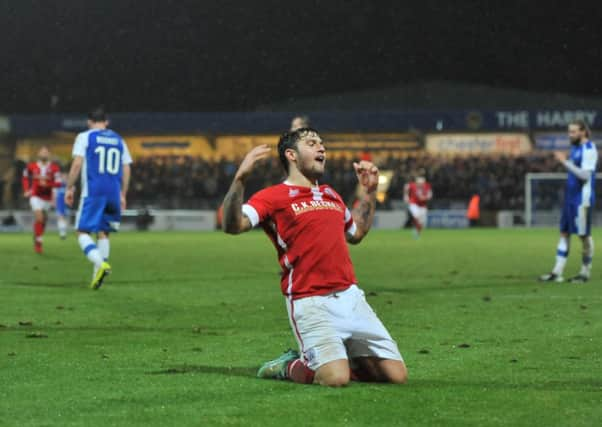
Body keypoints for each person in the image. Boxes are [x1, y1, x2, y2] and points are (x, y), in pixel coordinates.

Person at [222, 127, 407, 387]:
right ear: (291, 155)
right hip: (310, 300)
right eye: (311, 143)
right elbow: (232, 225)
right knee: (334, 378)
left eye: (322, 144)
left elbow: (356, 233)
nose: (322, 148)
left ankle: (335, 357)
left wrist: (368, 191)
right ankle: (288, 365)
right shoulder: (272, 197)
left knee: (396, 376)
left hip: (351, 298)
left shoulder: (331, 194)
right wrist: (239, 180)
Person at [64, 107, 133, 289]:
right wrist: (123, 194)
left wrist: (69, 187)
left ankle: (100, 263)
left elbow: (77, 164)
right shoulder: (119, 139)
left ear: (89, 122)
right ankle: (97, 279)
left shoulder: (85, 137)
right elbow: (126, 168)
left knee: (82, 232)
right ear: (106, 121)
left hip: (94, 191)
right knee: (104, 232)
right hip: (113, 192)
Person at [539, 120, 597, 283]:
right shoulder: (576, 148)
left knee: (583, 235)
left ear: (583, 132)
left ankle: (585, 272)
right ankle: (557, 272)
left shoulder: (589, 149)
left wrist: (565, 162)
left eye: (573, 132)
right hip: (571, 198)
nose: (569, 135)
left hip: (582, 199)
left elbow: (585, 175)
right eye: (569, 131)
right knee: (564, 232)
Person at [22, 146, 62, 253]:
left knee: (44, 220)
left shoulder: (54, 168)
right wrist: (26, 190)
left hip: (48, 197)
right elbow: (25, 177)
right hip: (35, 195)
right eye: (42, 152)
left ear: (49, 154)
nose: (44, 154)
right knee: (39, 217)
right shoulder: (31, 166)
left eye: (46, 152)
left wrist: (47, 183)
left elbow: (58, 183)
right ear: (38, 154)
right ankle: (38, 244)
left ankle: (37, 236)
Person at [403, 169, 432, 238]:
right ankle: (415, 228)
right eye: (418, 183)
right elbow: (406, 187)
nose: (419, 184)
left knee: (422, 222)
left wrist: (425, 198)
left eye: (421, 183)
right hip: (414, 203)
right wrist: (406, 196)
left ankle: (417, 232)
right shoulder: (412, 185)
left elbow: (430, 195)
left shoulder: (427, 186)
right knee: (416, 216)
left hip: (423, 205)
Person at [54, 172, 69, 239]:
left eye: (66, 177)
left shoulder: (69, 185)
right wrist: (54, 202)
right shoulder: (58, 185)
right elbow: (54, 193)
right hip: (59, 203)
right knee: (60, 217)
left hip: (66, 203)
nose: (64, 178)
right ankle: (62, 234)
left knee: (64, 218)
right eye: (63, 177)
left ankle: (63, 233)